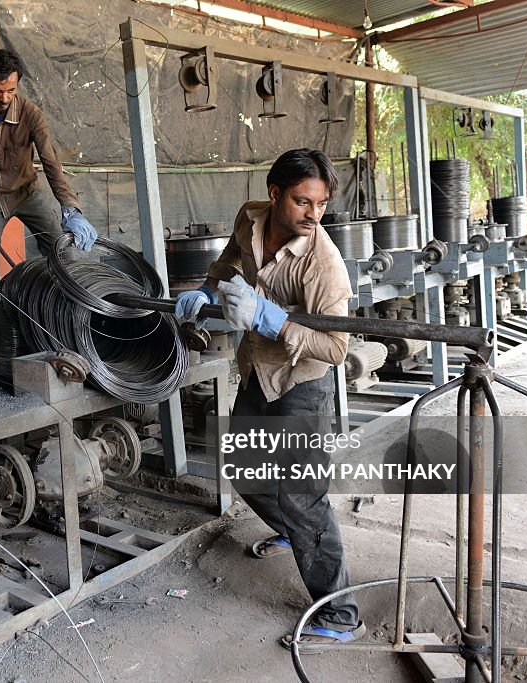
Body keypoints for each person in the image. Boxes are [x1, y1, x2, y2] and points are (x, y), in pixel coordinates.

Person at [175, 149, 364, 650]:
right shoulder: (250, 217)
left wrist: (276, 321)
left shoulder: (323, 264)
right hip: (260, 369)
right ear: (275, 193)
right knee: (243, 467)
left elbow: (337, 347)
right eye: (303, 201)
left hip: (304, 380)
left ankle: (342, 615)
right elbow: (227, 263)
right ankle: (294, 535)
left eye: (321, 205)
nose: (313, 215)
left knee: (304, 494)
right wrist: (206, 290)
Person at [0, 49, 98, 358]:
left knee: (64, 252)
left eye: (11, 89)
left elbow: (51, 163)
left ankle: (84, 330)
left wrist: (70, 208)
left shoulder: (31, 114)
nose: (4, 97)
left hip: (27, 192)